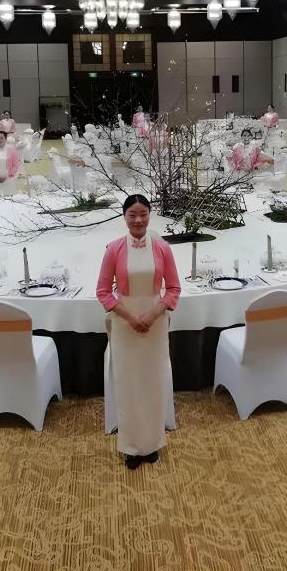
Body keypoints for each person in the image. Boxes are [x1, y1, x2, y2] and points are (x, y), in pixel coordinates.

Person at [96, 194, 181, 470]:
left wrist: (154, 314)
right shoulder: (114, 249)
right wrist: (131, 317)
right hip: (125, 324)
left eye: (143, 214)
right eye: (132, 215)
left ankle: (152, 443)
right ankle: (132, 446)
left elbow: (174, 288)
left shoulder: (162, 247)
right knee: (129, 385)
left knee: (153, 383)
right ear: (124, 217)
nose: (138, 220)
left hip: (155, 323)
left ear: (150, 215)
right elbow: (103, 291)